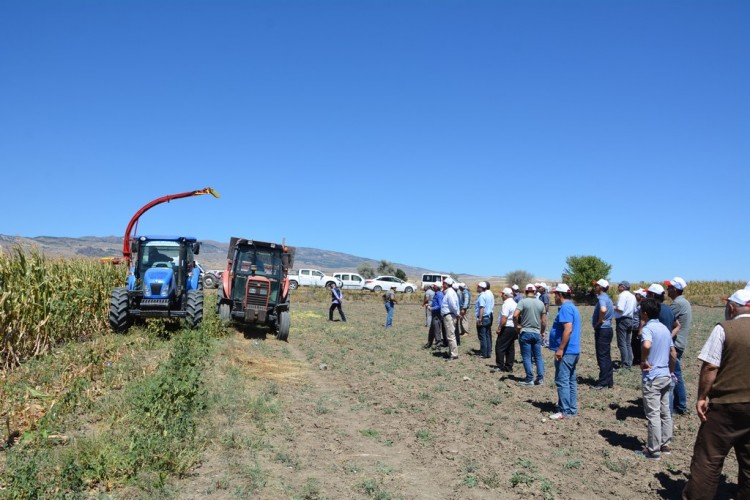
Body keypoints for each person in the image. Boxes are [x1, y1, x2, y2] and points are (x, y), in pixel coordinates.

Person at [682, 289, 750, 499]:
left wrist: (702, 397)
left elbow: (711, 367)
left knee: (708, 459)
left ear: (731, 307)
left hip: (726, 405)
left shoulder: (725, 328)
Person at [636, 298, 677, 461]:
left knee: (653, 414)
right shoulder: (665, 329)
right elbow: (673, 353)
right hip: (665, 375)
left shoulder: (648, 328)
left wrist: (644, 361)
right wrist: (671, 372)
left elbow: (646, 345)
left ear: (645, 313)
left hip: (652, 377)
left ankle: (653, 450)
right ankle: (665, 445)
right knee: (665, 412)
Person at [547, 284, 581, 420]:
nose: (554, 297)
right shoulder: (572, 307)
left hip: (567, 351)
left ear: (560, 295)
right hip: (573, 350)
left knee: (562, 381)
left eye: (555, 294)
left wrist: (560, 348)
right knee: (571, 380)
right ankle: (571, 409)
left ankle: (564, 410)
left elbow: (568, 329)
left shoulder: (566, 308)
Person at [666, 277, 692, 416]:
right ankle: (679, 404)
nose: (667, 290)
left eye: (669, 287)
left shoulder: (677, 304)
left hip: (675, 344)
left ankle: (680, 405)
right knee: (676, 373)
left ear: (675, 289)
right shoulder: (684, 302)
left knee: (675, 374)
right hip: (680, 342)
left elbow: (666, 318)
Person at [514, 284, 546, 386]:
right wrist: (542, 331)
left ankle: (529, 379)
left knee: (527, 357)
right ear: (535, 292)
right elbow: (544, 321)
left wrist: (517, 325)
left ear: (525, 291)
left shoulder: (522, 302)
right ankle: (540, 378)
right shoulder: (540, 303)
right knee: (538, 357)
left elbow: (515, 315)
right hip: (536, 332)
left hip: (525, 332)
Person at [592, 279, 615, 390]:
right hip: (608, 329)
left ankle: (603, 383)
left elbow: (603, 309)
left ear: (600, 287)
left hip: (602, 330)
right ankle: (609, 380)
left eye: (596, 286)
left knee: (602, 356)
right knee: (606, 356)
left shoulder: (602, 298)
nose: (594, 288)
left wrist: (599, 322)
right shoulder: (608, 298)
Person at [614, 281, 637, 369]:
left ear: (623, 287)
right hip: (630, 319)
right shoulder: (632, 296)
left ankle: (625, 364)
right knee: (628, 343)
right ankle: (629, 362)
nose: (618, 287)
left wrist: (612, 307)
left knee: (622, 343)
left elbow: (620, 309)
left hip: (622, 320)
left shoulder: (623, 295)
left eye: (619, 285)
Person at [495, 287, 518, 373]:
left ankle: (500, 366)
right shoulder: (515, 303)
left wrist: (499, 328)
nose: (501, 296)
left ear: (506, 295)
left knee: (500, 346)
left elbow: (504, 317)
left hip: (507, 327)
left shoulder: (506, 304)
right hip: (513, 327)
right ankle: (509, 366)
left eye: (502, 294)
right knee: (510, 348)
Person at [440, 278, 460, 361]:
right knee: (450, 335)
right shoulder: (450, 292)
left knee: (451, 336)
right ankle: (451, 352)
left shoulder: (450, 293)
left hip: (450, 316)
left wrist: (457, 314)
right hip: (449, 315)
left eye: (444, 283)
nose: (443, 285)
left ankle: (454, 354)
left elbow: (452, 305)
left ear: (446, 284)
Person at [475, 281, 495, 359]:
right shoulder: (487, 295)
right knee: (487, 335)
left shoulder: (482, 296)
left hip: (483, 317)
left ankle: (484, 353)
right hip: (488, 317)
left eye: (478, 287)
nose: (477, 288)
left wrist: (480, 319)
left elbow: (481, 307)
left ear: (481, 288)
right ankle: (488, 352)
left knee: (482, 335)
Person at [631, 288, 648, 366]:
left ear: (641, 296)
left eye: (637, 294)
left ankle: (638, 360)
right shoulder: (639, 304)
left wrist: (640, 330)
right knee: (634, 344)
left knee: (636, 344)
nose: (635, 295)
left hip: (638, 328)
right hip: (636, 327)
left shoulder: (642, 306)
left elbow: (642, 319)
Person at [425, 282, 444, 349]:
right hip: (434, 313)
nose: (433, 287)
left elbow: (440, 305)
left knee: (436, 329)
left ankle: (438, 344)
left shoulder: (439, 294)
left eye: (434, 286)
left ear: (437, 287)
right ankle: (429, 343)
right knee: (432, 329)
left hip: (437, 314)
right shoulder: (436, 293)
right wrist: (430, 305)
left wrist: (432, 308)